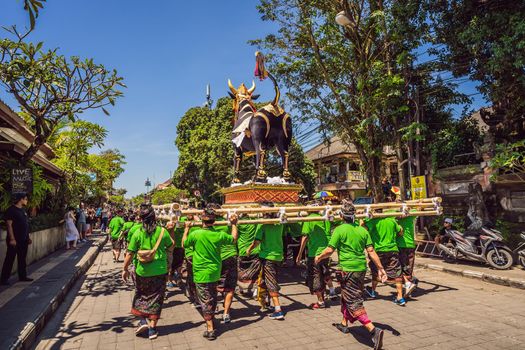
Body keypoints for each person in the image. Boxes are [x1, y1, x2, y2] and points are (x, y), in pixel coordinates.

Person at [315, 201, 386, 350]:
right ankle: (343, 323)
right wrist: (380, 268)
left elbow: (329, 250)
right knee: (347, 296)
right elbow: (371, 251)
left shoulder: (339, 230)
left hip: (348, 270)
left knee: (353, 300)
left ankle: (373, 330)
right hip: (361, 269)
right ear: (354, 216)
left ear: (341, 215)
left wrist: (319, 257)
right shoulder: (362, 230)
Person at [183, 205, 238, 340]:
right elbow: (233, 238)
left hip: (201, 273)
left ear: (202, 220)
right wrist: (234, 224)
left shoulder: (196, 234)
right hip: (214, 272)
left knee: (205, 299)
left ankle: (210, 328)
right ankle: (212, 320)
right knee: (211, 296)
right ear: (214, 221)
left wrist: (186, 229)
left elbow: (184, 244)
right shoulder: (218, 235)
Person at [123, 203, 173, 340]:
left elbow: (130, 253)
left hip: (142, 271)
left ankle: (143, 321)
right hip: (160, 270)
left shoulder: (137, 232)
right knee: (157, 298)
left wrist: (124, 269)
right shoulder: (162, 231)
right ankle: (152, 329)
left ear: (141, 218)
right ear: (154, 216)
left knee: (141, 295)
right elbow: (171, 245)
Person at [246, 202, 286, 320]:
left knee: (271, 282)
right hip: (278, 256)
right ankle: (266, 303)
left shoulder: (262, 225)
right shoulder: (279, 224)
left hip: (268, 257)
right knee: (265, 280)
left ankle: (278, 309)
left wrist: (249, 249)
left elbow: (257, 241)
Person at [365, 214, 405, 306]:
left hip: (378, 251)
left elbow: (364, 230)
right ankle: (400, 297)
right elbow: (400, 232)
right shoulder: (391, 220)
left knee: (376, 270)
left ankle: (373, 291)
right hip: (392, 249)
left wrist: (362, 220)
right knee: (397, 273)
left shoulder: (374, 221)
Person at [297, 210, 331, 309]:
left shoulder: (309, 219)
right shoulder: (324, 218)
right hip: (325, 252)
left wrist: (299, 254)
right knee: (323, 274)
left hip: (314, 253)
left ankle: (320, 301)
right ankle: (325, 297)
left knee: (315, 277)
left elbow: (305, 236)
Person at [1, 193, 33, 285]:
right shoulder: (11, 210)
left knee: (22, 259)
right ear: (21, 199)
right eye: (26, 199)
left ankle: (23, 276)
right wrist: (12, 239)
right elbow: (9, 225)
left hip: (23, 239)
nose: (27, 201)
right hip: (15, 239)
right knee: (10, 259)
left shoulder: (23, 210)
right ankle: (4, 279)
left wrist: (28, 237)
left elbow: (25, 225)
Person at [215, 210, 238, 324]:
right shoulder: (227, 224)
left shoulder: (206, 228)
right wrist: (234, 224)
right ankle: (226, 313)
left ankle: (213, 307)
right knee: (230, 287)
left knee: (214, 284)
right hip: (230, 257)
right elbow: (234, 238)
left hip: (216, 259)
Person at [397, 212, 418, 297]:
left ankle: (407, 285)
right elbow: (419, 208)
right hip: (410, 245)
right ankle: (408, 286)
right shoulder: (411, 215)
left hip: (401, 245)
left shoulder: (395, 217)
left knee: (401, 267)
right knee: (408, 267)